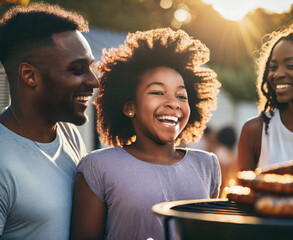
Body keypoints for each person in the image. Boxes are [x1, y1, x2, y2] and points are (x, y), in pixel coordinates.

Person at [70, 28, 221, 240]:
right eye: (158, 92)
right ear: (129, 106)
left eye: (181, 95)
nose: (173, 103)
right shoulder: (98, 167)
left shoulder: (207, 166)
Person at [0, 3, 99, 240]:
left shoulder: (67, 134)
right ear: (30, 75)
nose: (94, 81)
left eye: (90, 68)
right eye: (77, 69)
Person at [238, 24, 293, 171]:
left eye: (291, 65)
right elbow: (243, 192)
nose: (277, 74)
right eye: (273, 67)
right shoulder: (254, 131)